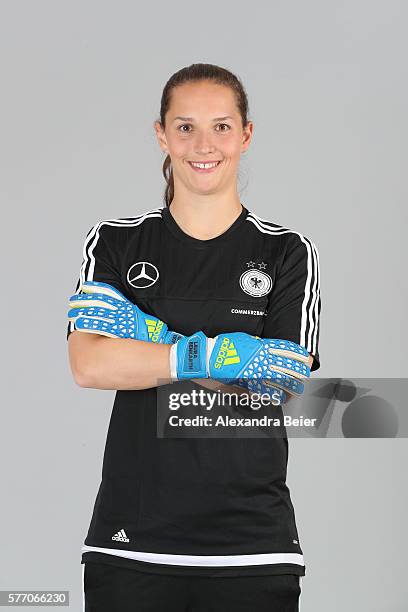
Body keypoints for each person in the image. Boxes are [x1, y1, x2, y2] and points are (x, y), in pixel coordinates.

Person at [67, 63, 321, 612]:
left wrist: (147, 337)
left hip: (251, 545)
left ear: (246, 135)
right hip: (132, 540)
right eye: (185, 127)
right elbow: (90, 364)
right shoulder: (115, 242)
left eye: (221, 127)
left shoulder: (287, 252)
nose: (203, 145)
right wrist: (224, 354)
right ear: (161, 133)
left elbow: (277, 379)